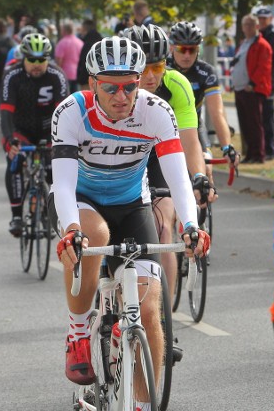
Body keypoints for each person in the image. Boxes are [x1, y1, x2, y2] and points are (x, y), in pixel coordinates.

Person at [51, 36, 208, 407]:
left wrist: (191, 224)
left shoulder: (156, 111)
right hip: (82, 201)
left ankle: (140, 404)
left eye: (130, 86)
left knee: (149, 308)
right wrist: (71, 230)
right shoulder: (71, 111)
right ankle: (77, 330)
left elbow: (178, 176)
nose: (121, 96)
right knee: (94, 233)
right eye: (110, 87)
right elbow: (62, 182)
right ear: (92, 84)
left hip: (132, 203)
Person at [122, 23, 215, 299]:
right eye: (145, 68)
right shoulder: (118, 87)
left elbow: (189, 139)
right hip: (124, 158)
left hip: (160, 155)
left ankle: (162, 314)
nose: (151, 76)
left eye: (159, 67)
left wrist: (198, 175)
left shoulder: (177, 85)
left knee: (164, 228)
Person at [0, 33, 68, 237]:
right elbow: (5, 113)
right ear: (23, 59)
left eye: (41, 60)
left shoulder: (57, 75)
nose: (37, 64)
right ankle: (17, 216)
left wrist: (63, 142)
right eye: (32, 60)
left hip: (49, 129)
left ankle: (49, 214)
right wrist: (10, 140)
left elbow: (65, 113)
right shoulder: (13, 75)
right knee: (16, 160)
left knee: (53, 169)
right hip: (21, 129)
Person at [167, 21, 239, 170]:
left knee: (206, 169)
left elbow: (217, 112)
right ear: (171, 47)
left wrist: (227, 147)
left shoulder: (206, 72)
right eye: (182, 49)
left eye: (192, 50)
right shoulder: (161, 69)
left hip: (193, 126)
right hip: (165, 127)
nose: (187, 55)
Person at [231, 14, 272, 163]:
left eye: (250, 24)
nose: (247, 28)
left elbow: (263, 67)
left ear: (256, 26)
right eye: (245, 25)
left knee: (254, 124)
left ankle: (258, 154)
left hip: (251, 90)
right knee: (245, 124)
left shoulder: (262, 45)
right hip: (240, 89)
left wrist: (253, 84)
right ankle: (250, 154)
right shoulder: (244, 43)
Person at [255, 8, 274, 160]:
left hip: (268, 82)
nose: (262, 21)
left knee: (267, 116)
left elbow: (270, 63)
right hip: (259, 82)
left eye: (264, 19)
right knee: (259, 117)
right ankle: (264, 148)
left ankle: (271, 149)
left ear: (270, 19)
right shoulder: (260, 35)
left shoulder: (272, 37)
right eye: (260, 18)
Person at [54, 22, 83, 93]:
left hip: (65, 75)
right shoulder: (80, 43)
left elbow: (59, 61)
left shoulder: (62, 43)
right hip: (78, 74)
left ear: (64, 31)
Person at [76, 19, 102, 90]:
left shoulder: (87, 43)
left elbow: (84, 62)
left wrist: (82, 80)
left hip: (87, 80)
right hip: (101, 79)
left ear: (84, 28)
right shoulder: (100, 40)